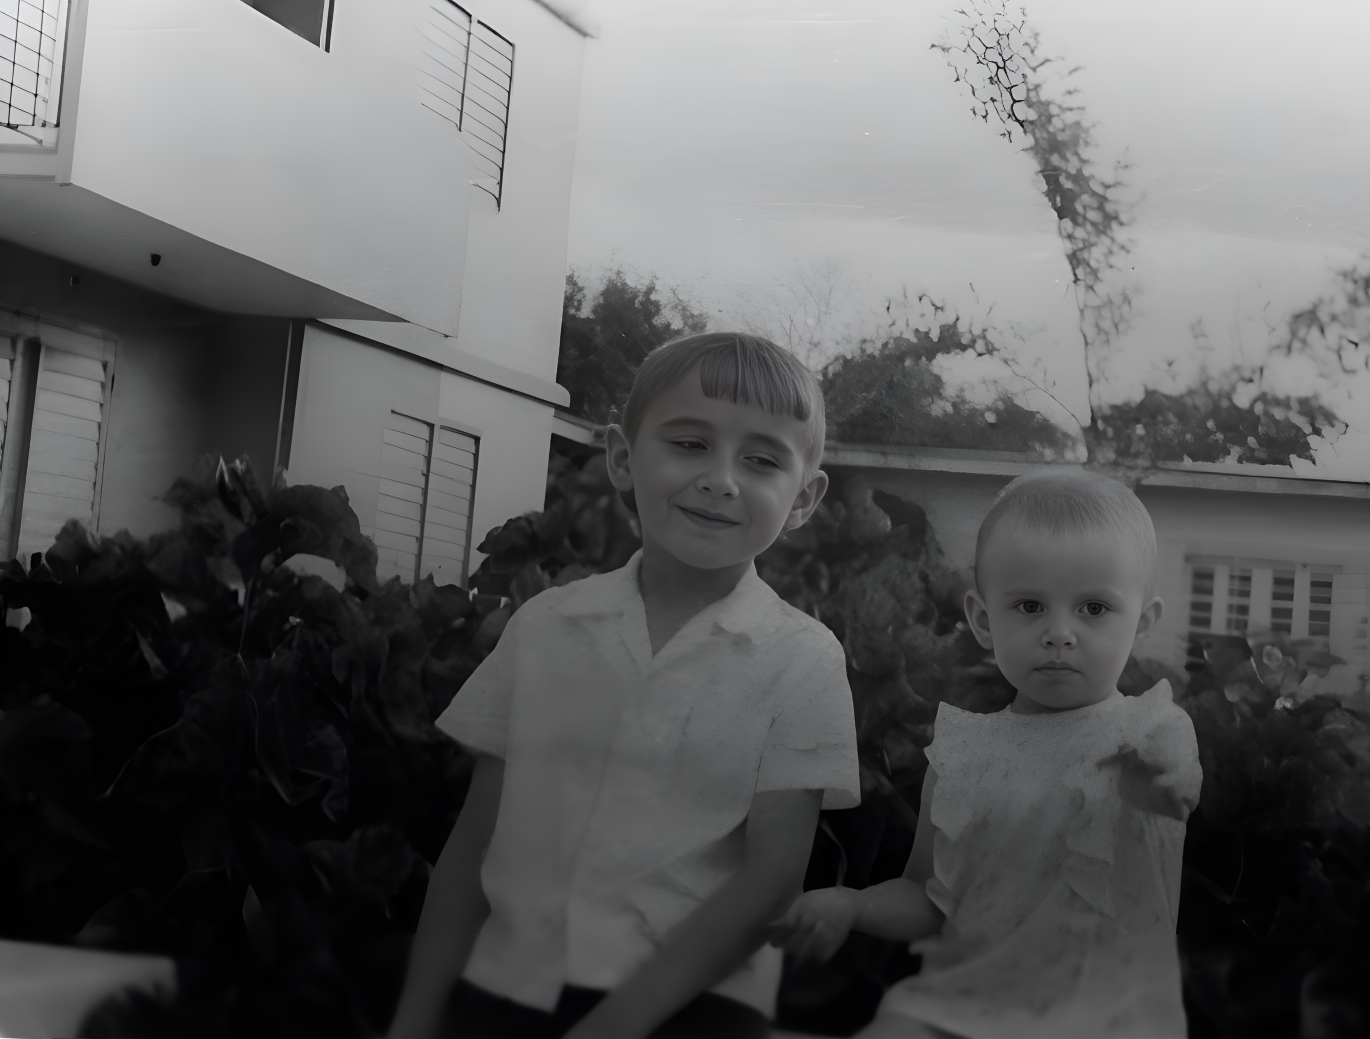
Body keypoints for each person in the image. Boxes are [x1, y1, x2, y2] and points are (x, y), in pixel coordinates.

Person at [387, 332, 860, 1039]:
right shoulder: (545, 627)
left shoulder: (803, 660)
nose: (721, 479)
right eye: (690, 444)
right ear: (620, 457)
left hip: (694, 1011)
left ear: (804, 497)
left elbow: (770, 881)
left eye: (761, 460)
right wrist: (415, 1019)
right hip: (507, 991)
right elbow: (473, 844)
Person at [771, 469, 1202, 1038]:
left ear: (1142, 623)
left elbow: (1165, 797)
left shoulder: (1151, 731)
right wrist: (852, 906)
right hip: (965, 1005)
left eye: (1094, 608)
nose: (1060, 633)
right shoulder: (962, 755)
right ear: (982, 620)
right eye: (1030, 606)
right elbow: (925, 896)